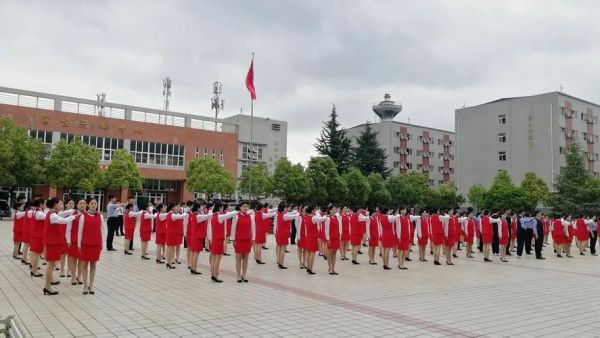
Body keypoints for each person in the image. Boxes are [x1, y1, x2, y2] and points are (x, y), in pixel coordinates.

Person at [42, 198, 76, 295]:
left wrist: (70, 211)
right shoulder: (52, 215)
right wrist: (74, 216)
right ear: (54, 204)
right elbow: (64, 220)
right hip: (52, 243)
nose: (60, 205)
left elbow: (61, 214)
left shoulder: (52, 213)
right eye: (59, 203)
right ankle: (47, 286)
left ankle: (48, 285)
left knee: (51, 265)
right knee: (50, 265)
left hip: (54, 243)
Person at [77, 198, 105, 295]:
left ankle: (91, 285)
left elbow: (102, 230)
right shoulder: (83, 216)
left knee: (93, 265)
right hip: (85, 244)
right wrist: (79, 244)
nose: (94, 205)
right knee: (84, 265)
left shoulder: (100, 216)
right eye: (92, 203)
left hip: (96, 244)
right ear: (88, 205)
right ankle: (85, 286)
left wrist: (102, 243)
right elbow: (80, 231)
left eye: (95, 203)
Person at [207, 202, 238, 282]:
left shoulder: (213, 216)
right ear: (219, 208)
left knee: (214, 257)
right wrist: (237, 211)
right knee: (218, 258)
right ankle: (215, 275)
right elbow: (228, 215)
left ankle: (213, 274)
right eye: (221, 207)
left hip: (214, 239)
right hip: (218, 240)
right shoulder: (219, 216)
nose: (222, 209)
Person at [231, 201, 255, 282]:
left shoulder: (250, 217)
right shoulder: (236, 216)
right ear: (240, 207)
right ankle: (238, 275)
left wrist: (253, 238)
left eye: (246, 207)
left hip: (248, 240)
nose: (245, 208)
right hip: (239, 240)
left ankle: (244, 275)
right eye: (243, 206)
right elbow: (233, 228)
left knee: (246, 258)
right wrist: (233, 239)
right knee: (238, 258)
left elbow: (253, 228)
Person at [273, 203, 299, 269]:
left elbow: (291, 214)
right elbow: (293, 216)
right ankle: (281, 263)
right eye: (286, 208)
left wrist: (295, 212)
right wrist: (299, 213)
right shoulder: (284, 216)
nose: (287, 209)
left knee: (279, 248)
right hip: (283, 234)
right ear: (283, 208)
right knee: (283, 249)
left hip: (279, 233)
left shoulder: (279, 214)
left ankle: (278, 261)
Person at [66, 199, 86, 285]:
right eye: (80, 203)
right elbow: (68, 228)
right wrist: (68, 240)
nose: (82, 205)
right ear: (77, 205)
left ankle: (79, 276)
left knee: (82, 260)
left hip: (83, 241)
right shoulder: (73, 215)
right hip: (74, 240)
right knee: (74, 259)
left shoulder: (87, 215)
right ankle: (73, 277)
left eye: (84, 203)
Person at [30, 197, 47, 278]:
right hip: (38, 236)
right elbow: (48, 217)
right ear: (41, 204)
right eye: (45, 203)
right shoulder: (39, 213)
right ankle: (34, 270)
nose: (46, 205)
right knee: (37, 254)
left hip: (36, 235)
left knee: (34, 253)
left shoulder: (36, 211)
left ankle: (34, 269)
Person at [165, 203, 186, 269]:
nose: (177, 208)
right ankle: (169, 263)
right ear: (172, 208)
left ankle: (169, 262)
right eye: (176, 207)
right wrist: (186, 212)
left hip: (171, 233)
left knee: (169, 248)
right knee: (170, 249)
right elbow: (181, 216)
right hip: (172, 234)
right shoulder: (172, 215)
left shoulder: (170, 214)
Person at [59, 199, 75, 278]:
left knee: (70, 255)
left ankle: (69, 270)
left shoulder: (75, 214)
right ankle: (62, 270)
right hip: (62, 236)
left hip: (71, 237)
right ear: (66, 205)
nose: (71, 205)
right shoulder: (62, 214)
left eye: (72, 203)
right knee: (62, 254)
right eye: (69, 203)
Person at [324, 205, 341, 275]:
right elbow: (326, 229)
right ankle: (330, 268)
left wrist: (339, 235)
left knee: (334, 253)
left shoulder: (337, 217)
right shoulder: (328, 218)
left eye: (335, 209)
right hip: (331, 238)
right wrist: (328, 239)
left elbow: (339, 228)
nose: (335, 210)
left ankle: (333, 268)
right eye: (333, 209)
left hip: (336, 237)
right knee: (330, 253)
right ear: (330, 210)